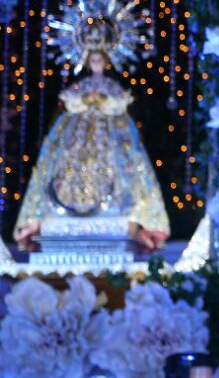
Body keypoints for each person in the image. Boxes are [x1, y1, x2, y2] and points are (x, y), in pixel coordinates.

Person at [15, 48, 170, 250]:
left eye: (99, 59)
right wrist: (85, 100)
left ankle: (122, 212)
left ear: (105, 62)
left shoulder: (111, 85)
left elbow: (120, 103)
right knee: (63, 163)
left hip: (109, 133)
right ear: (88, 62)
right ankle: (63, 209)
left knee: (122, 164)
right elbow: (71, 101)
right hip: (78, 134)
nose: (97, 63)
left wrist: (103, 101)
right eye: (93, 60)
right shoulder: (83, 85)